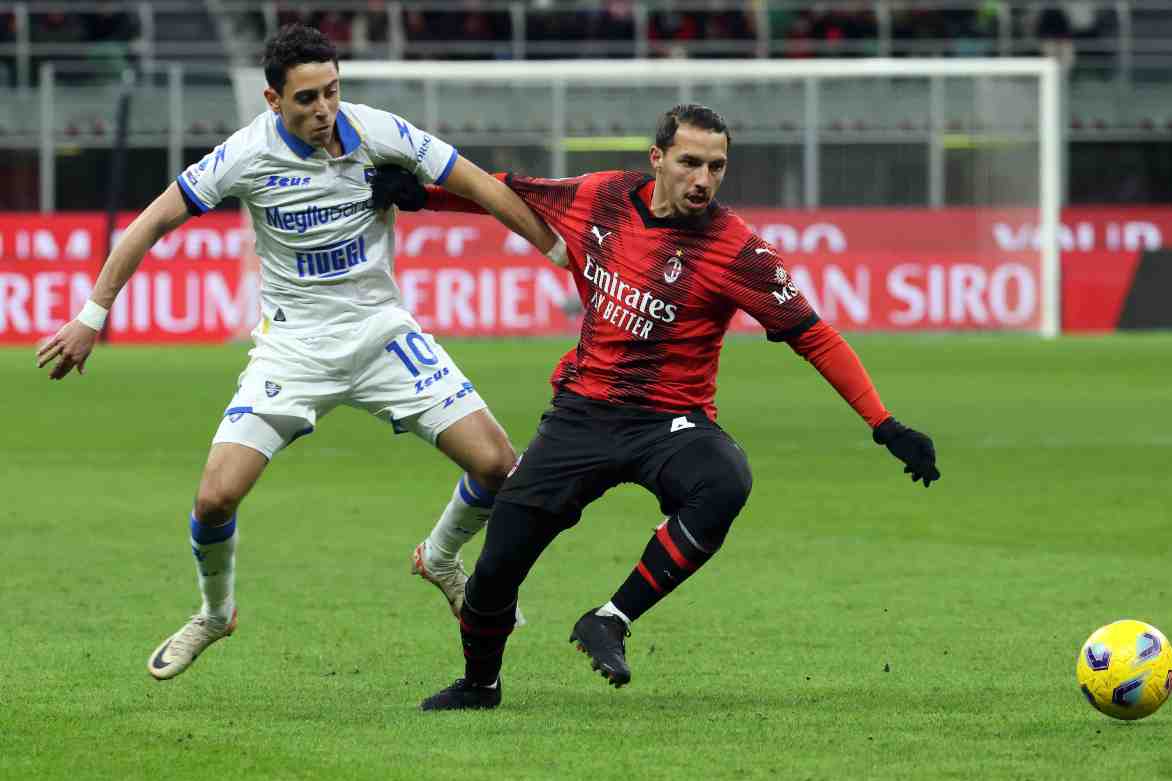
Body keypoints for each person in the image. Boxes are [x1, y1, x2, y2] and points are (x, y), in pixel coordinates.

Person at [35, 24, 563, 681]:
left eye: (332, 92)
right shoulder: (245, 155)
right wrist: (92, 315)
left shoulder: (377, 131)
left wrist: (560, 255)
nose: (323, 110)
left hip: (381, 335)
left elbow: (483, 186)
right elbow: (152, 221)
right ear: (271, 100)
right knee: (214, 500)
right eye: (307, 98)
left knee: (497, 466)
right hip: (293, 350)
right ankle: (215, 612)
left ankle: (441, 557)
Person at [370, 104, 941, 711]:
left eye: (716, 167)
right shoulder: (603, 198)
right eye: (690, 163)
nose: (703, 179)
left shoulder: (737, 250)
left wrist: (884, 424)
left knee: (725, 480)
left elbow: (813, 334)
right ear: (658, 160)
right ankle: (480, 685)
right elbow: (509, 196)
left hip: (671, 423)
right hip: (583, 413)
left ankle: (610, 620)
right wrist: (427, 198)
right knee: (496, 570)